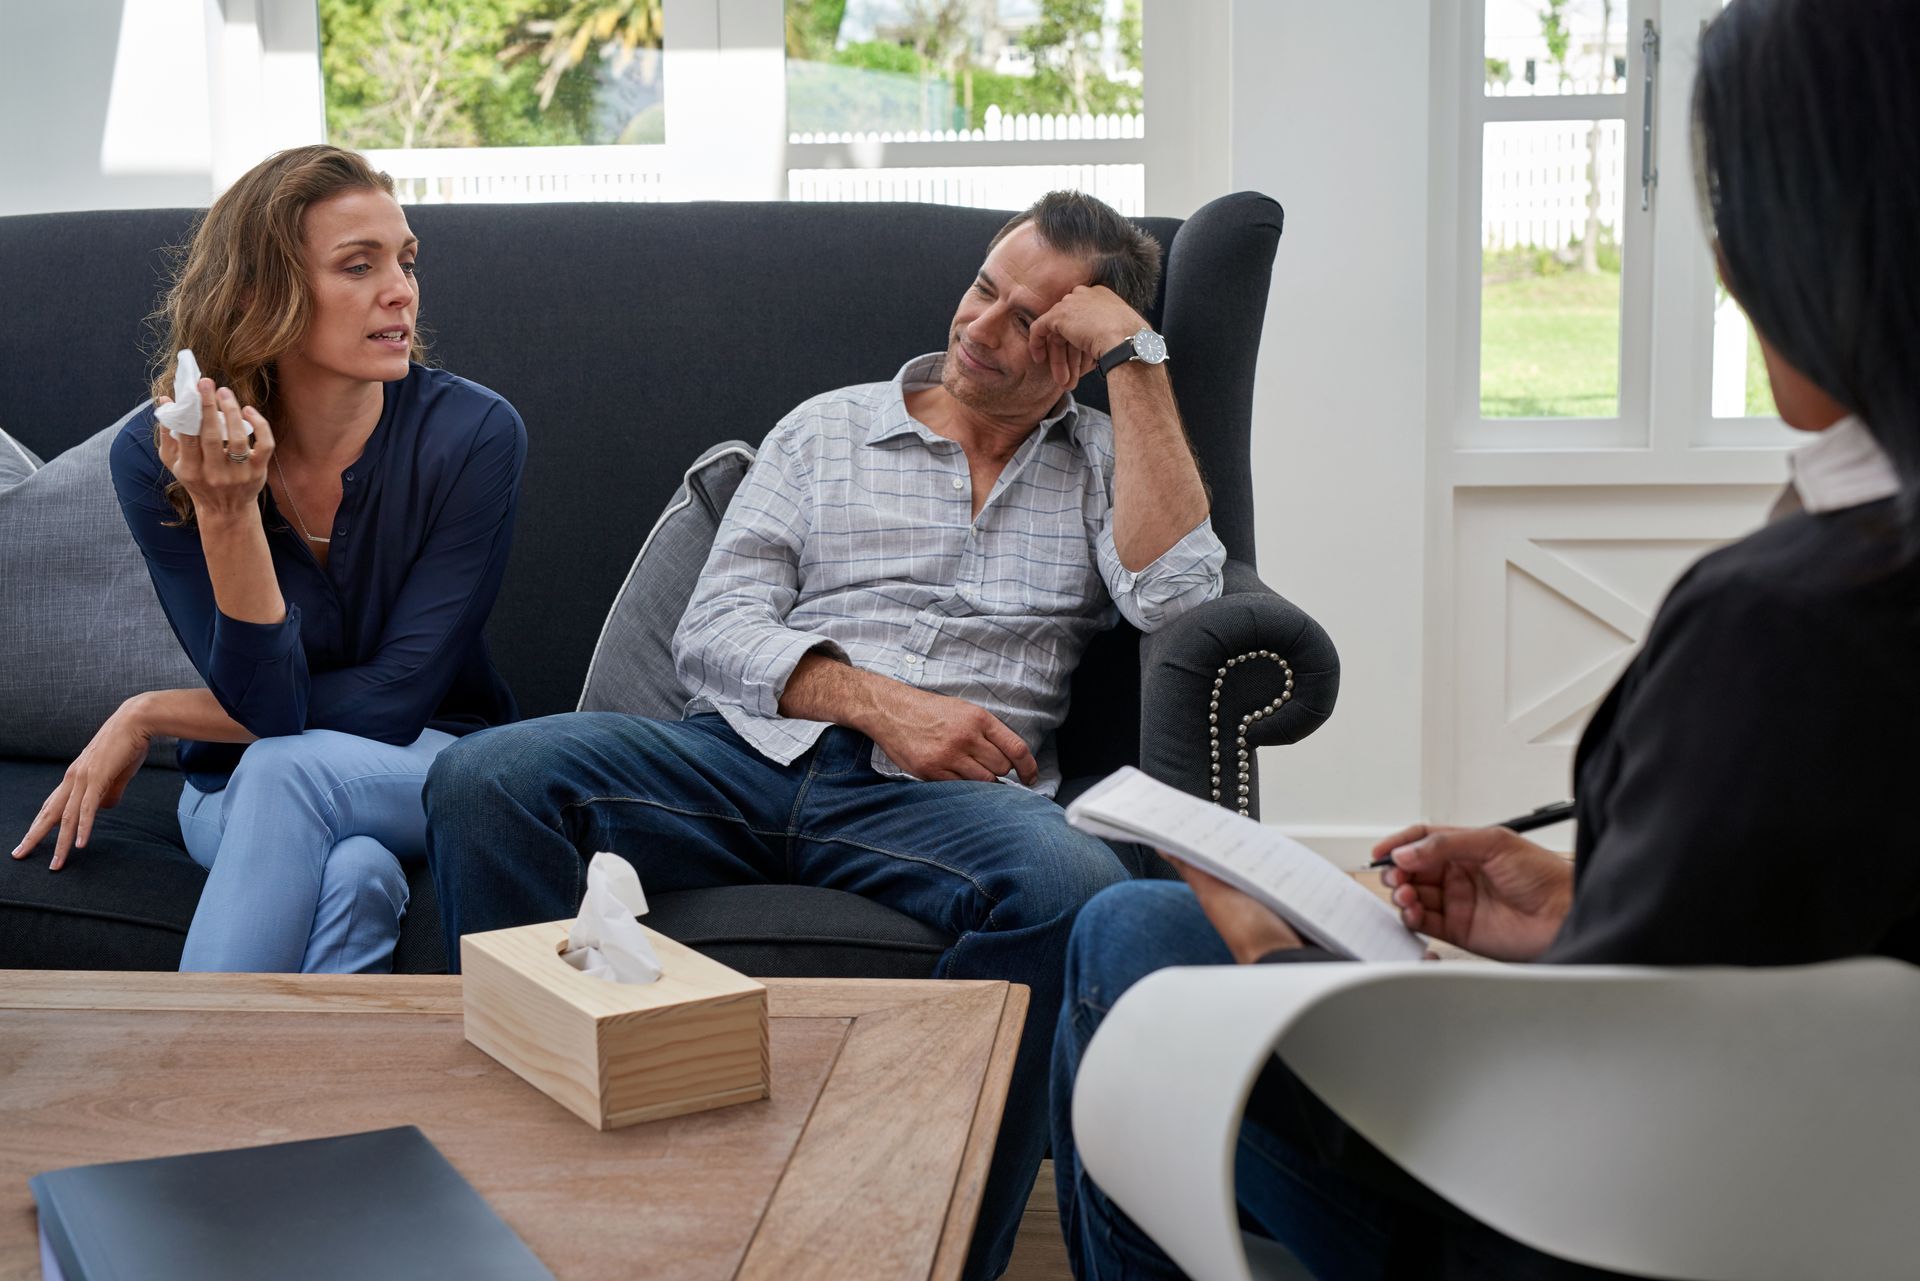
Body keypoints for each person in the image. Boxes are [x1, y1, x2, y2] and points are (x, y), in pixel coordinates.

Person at [1051, 0, 1920, 1275]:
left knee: (1132, 942)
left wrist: (1274, 961)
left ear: (1811, 240)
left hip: (1616, 1227)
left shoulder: (1787, 625)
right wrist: (1581, 907)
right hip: (1861, 1197)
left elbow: (1614, 1094)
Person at [423, 190, 1225, 1280]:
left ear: (1081, 351)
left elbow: (1180, 598)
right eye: (984, 288)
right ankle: (534, 1190)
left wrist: (1139, 361)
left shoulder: (1103, 464)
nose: (981, 327)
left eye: (1032, 321)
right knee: (487, 777)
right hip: (741, 760)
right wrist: (882, 703)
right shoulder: (826, 428)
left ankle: (925, 1244)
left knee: (1071, 885)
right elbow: (714, 631)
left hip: (948, 810)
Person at [9, 145, 527, 976]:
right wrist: (226, 509)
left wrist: (151, 711)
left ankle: (191, 1059)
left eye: (405, 260)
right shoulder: (156, 456)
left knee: (287, 769)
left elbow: (395, 699)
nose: (401, 289)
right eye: (358, 265)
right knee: (354, 871)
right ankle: (320, 1070)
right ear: (258, 294)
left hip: (433, 759)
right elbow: (267, 700)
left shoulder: (472, 434)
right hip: (230, 790)